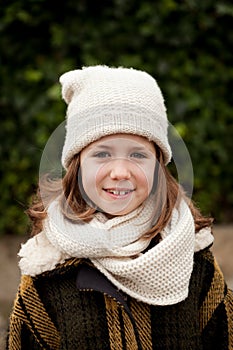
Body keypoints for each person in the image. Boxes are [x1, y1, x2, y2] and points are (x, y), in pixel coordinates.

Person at [7, 65, 233, 350]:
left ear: (157, 168)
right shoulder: (47, 277)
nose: (120, 172)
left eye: (138, 154)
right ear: (77, 165)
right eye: (102, 154)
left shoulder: (195, 265)